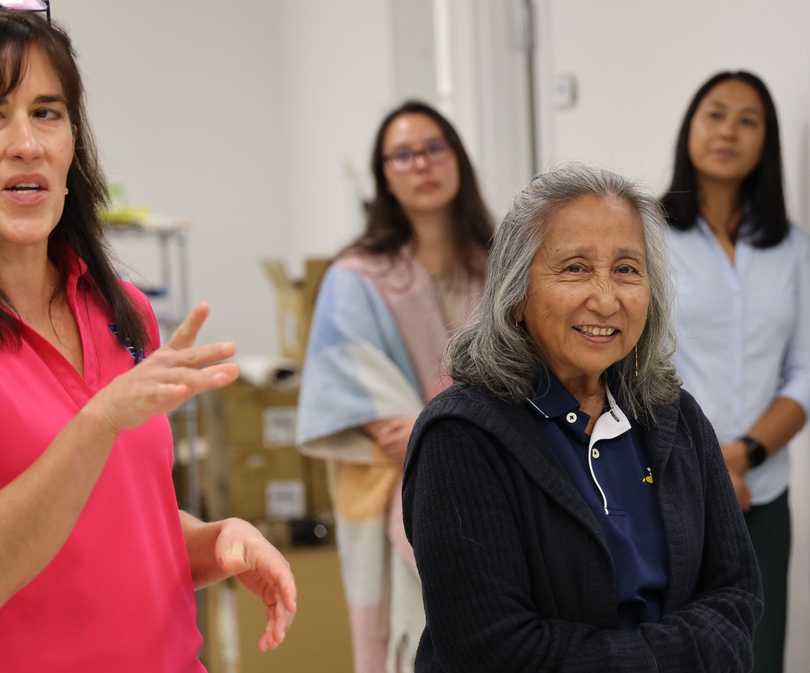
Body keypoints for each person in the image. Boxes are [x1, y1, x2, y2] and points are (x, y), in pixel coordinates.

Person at [0, 4, 296, 672]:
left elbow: (114, 527)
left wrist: (214, 540)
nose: (28, 143)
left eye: (47, 112)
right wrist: (96, 422)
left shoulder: (119, 306)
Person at [402, 163, 764, 672]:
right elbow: (493, 652)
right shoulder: (461, 437)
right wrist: (674, 657)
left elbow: (737, 595)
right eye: (574, 268)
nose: (606, 298)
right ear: (517, 295)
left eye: (626, 269)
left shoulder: (674, 416)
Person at [297, 99, 494, 673]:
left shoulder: (501, 268)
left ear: (457, 157)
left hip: (497, 493)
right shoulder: (354, 280)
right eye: (402, 155)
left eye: (434, 148)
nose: (421, 165)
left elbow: (528, 379)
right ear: (384, 174)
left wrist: (449, 433)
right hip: (401, 500)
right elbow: (370, 409)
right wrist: (459, 437)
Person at [660, 71, 810, 673]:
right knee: (669, 653)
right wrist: (707, 467)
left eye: (748, 120)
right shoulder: (645, 233)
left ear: (765, 142)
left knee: (757, 656)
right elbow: (635, 365)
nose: (729, 130)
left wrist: (741, 457)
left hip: (762, 491)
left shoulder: (792, 247)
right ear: (690, 127)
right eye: (715, 114)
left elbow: (804, 370)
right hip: (664, 486)